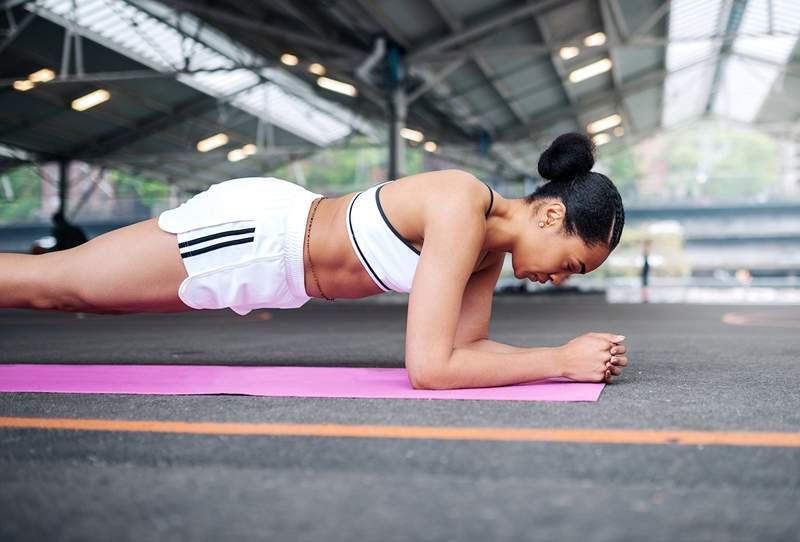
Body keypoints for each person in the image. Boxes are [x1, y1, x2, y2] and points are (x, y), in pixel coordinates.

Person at [0, 133, 629, 389]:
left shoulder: (487, 250)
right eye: (572, 264)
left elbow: (468, 350)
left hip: (273, 253)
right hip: (254, 238)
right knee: (55, 287)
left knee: (60, 287)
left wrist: (566, 359)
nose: (557, 279)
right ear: (550, 215)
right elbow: (432, 369)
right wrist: (558, 363)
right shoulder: (461, 205)